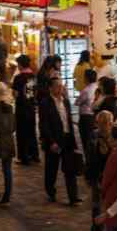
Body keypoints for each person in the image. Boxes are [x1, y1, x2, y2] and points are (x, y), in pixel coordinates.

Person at [38, 77, 80, 205]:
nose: (60, 88)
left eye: (61, 85)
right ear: (50, 88)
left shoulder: (66, 102)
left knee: (70, 169)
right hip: (54, 140)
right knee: (52, 169)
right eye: (57, 86)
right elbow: (44, 125)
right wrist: (51, 142)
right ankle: (51, 192)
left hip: (67, 138)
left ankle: (73, 197)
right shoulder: (45, 103)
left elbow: (68, 121)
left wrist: (73, 140)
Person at [84, 110, 114, 231]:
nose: (103, 126)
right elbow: (89, 157)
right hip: (97, 176)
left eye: (106, 123)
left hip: (112, 178)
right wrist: (88, 176)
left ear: (111, 123)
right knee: (96, 206)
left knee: (112, 207)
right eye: (100, 123)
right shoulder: (93, 135)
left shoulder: (115, 137)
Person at [11, 57, 39, 165]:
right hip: (30, 107)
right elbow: (31, 94)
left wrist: (17, 95)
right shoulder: (32, 77)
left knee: (22, 132)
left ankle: (24, 157)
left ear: (21, 65)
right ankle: (34, 155)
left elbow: (14, 94)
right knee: (31, 131)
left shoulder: (18, 78)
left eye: (18, 64)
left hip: (21, 108)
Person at [75, 69, 99, 164]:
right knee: (92, 141)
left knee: (86, 141)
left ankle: (89, 163)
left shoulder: (86, 90)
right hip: (94, 117)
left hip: (85, 118)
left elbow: (77, 102)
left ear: (87, 78)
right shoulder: (97, 88)